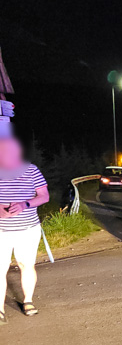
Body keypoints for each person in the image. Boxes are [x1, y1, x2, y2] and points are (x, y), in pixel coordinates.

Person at [0, 137, 49, 323]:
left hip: (28, 229)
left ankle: (28, 301)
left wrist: (24, 204)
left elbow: (44, 196)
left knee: (26, 265)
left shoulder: (31, 170)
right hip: (1, 231)